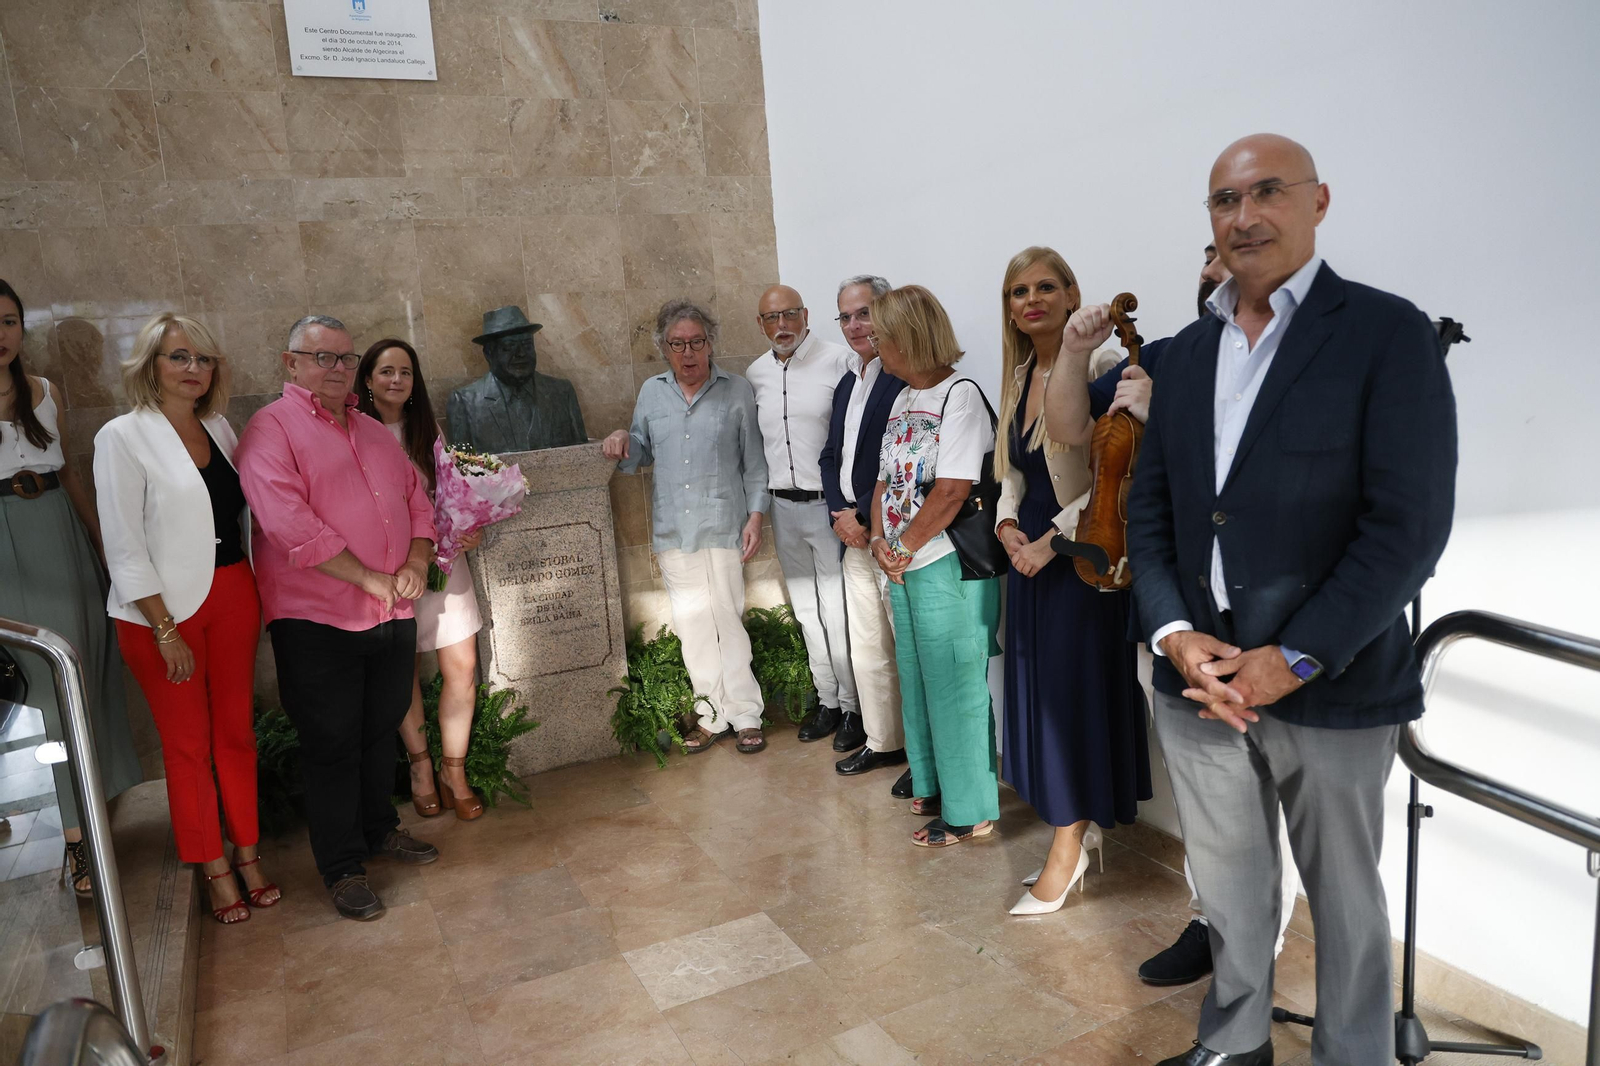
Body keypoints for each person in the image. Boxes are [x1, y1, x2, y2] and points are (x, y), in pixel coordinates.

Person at [1126, 134, 1457, 1066]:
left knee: (1347, 899)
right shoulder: (1183, 355)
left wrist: (1295, 656)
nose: (1244, 215)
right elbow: (1151, 515)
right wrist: (1176, 632)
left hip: (1332, 682)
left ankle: (1353, 1054)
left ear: (1319, 202)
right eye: (1224, 201)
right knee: (1229, 891)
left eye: (1267, 191)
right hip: (1200, 683)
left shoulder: (1385, 334)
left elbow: (1408, 528)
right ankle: (1237, 1041)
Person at [236, 315, 442, 922]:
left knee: (379, 729)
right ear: (290, 362)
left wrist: (417, 556)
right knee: (330, 744)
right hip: (316, 618)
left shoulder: (374, 431)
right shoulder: (270, 429)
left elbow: (416, 499)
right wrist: (368, 576)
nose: (336, 369)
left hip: (390, 610)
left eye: (346, 359)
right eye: (321, 357)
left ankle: (380, 829)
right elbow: (287, 522)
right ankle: (342, 867)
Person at [94, 313, 279, 925]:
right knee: (188, 747)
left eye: (203, 358)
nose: (194, 369)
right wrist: (164, 628)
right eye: (179, 357)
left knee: (236, 735)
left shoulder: (221, 428)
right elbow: (122, 546)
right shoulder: (121, 436)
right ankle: (212, 865)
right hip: (160, 615)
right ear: (150, 365)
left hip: (233, 596)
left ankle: (247, 852)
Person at [996, 247, 1151, 915]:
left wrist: (1051, 543)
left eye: (1045, 287)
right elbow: (1012, 469)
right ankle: (1068, 833)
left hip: (1079, 555)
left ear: (1070, 295)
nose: (1031, 299)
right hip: (1026, 555)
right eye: (1017, 291)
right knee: (1042, 701)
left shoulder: (1103, 364)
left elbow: (1114, 475)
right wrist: (1006, 524)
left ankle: (1068, 848)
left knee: (1074, 704)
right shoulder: (1021, 370)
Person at [0, 278, 141, 899]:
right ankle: (79, 843)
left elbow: (71, 477)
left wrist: (103, 548)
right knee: (46, 688)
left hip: (60, 535)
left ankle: (93, 815)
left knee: (83, 679)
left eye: (8, 321)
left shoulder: (46, 392)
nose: (0, 334)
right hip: (6, 553)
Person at [602, 301, 771, 754]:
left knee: (727, 620)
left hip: (725, 524)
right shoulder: (652, 393)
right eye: (677, 344)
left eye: (696, 342)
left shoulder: (736, 391)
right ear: (664, 349)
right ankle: (711, 716)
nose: (688, 353)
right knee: (692, 624)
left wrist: (756, 515)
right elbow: (640, 451)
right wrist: (623, 440)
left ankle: (746, 714)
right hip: (674, 529)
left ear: (710, 343)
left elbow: (755, 462)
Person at [868, 285, 1001, 848]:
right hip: (904, 561)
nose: (874, 347)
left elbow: (951, 492)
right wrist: (879, 538)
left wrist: (902, 548)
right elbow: (883, 482)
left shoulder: (960, 396)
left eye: (880, 336)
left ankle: (970, 811)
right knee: (920, 681)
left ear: (908, 338)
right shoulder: (901, 398)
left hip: (946, 562)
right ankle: (935, 782)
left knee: (956, 686)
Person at [358, 339, 485, 822]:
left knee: (462, 666)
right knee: (402, 668)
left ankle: (456, 770)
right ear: (367, 379)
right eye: (386, 371)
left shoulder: (425, 427)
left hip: (445, 560)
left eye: (405, 372)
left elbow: (451, 493)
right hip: (391, 568)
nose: (396, 380)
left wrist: (467, 526)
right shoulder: (355, 431)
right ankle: (421, 769)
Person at [745, 285, 860, 749]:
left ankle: (854, 708)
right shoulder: (755, 374)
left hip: (826, 506)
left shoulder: (839, 361)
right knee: (807, 612)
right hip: (781, 507)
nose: (781, 326)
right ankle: (827, 702)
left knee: (839, 610)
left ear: (806, 314)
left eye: (789, 314)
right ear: (761, 324)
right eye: (771, 318)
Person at [819, 275, 909, 788]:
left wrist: (865, 522)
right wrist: (838, 512)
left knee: (905, 648)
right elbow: (830, 455)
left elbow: (893, 468)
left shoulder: (904, 378)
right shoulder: (849, 382)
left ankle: (921, 754)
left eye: (864, 313)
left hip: (891, 536)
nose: (855, 326)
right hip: (851, 532)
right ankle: (882, 741)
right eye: (846, 316)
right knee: (868, 645)